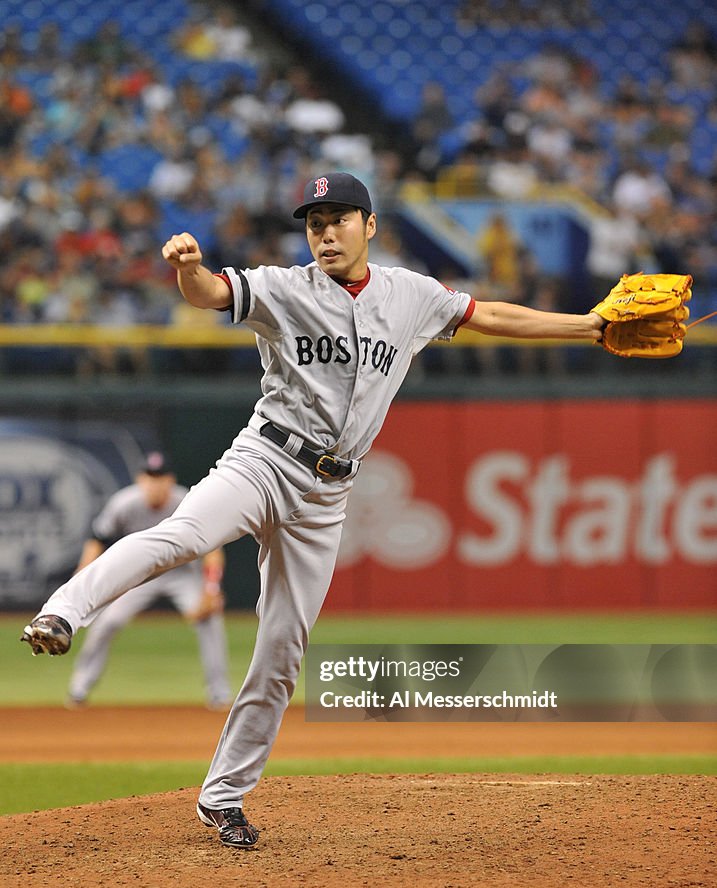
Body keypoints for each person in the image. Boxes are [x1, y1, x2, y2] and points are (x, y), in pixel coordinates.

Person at [21, 172, 605, 849]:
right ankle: (63, 610)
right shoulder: (282, 287)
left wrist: (588, 327)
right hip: (264, 461)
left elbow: (490, 316)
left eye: (339, 218)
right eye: (314, 221)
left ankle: (223, 798)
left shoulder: (410, 295)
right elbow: (212, 293)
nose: (325, 231)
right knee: (179, 535)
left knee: (282, 652)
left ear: (370, 225)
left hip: (329, 494)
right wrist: (188, 269)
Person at [64, 451, 233, 710]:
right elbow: (97, 539)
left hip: (181, 574)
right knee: (109, 620)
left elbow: (213, 548)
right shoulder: (124, 503)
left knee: (209, 617)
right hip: (139, 576)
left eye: (161, 477)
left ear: (170, 480)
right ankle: (79, 687)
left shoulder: (187, 500)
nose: (155, 484)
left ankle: (219, 693)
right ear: (140, 480)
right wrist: (82, 576)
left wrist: (211, 589)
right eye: (150, 477)